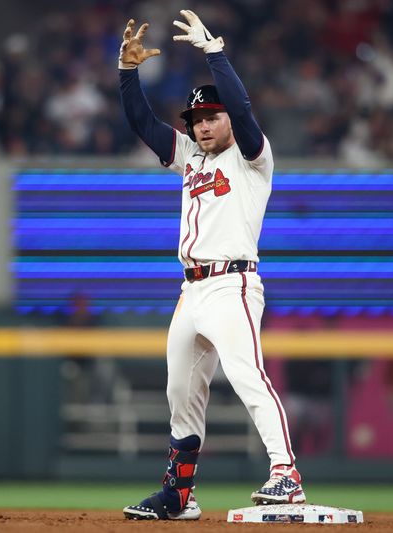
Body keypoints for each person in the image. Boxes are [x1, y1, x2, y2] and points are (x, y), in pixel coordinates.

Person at [118, 10, 304, 521]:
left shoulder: (251, 156)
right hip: (192, 290)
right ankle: (179, 496)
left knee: (247, 376)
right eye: (197, 120)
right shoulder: (191, 157)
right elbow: (142, 124)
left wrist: (213, 52)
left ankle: (286, 473)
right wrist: (127, 73)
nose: (202, 126)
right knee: (180, 391)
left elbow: (242, 109)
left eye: (210, 118)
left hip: (233, 285)